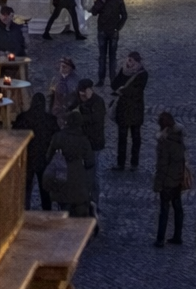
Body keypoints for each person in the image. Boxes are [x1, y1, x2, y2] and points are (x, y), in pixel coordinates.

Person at [13, 92, 60, 210]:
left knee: (26, 188)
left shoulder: (23, 117)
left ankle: (24, 212)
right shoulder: (50, 120)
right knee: (44, 190)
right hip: (44, 159)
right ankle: (47, 213)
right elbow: (57, 136)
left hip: (27, 158)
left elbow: (14, 135)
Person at [45, 110, 95, 217]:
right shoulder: (83, 140)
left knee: (63, 206)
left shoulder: (58, 136)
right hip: (79, 180)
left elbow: (48, 157)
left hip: (61, 177)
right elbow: (90, 162)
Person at [151, 111, 187, 246]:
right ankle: (178, 236)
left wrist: (157, 184)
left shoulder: (165, 143)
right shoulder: (179, 139)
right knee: (178, 208)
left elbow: (162, 167)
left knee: (164, 211)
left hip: (167, 182)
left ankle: (160, 239)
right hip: (177, 180)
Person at [110, 52, 148, 170]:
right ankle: (120, 163)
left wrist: (122, 91)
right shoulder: (124, 71)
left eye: (131, 61)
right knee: (122, 138)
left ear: (137, 62)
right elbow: (114, 85)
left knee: (135, 137)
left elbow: (136, 91)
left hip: (135, 110)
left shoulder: (142, 74)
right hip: (123, 109)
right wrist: (122, 73)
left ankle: (134, 163)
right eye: (128, 60)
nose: (128, 62)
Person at [74, 78, 107, 211]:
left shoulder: (98, 102)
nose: (81, 96)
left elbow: (97, 120)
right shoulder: (79, 99)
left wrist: (80, 116)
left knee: (93, 175)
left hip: (94, 143)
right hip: (82, 142)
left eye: (83, 93)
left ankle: (94, 202)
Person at [89, 0, 128, 85]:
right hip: (102, 31)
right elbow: (93, 12)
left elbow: (124, 15)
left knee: (112, 57)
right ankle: (101, 79)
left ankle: (112, 79)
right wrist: (100, 2)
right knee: (102, 56)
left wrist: (118, 28)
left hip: (113, 32)